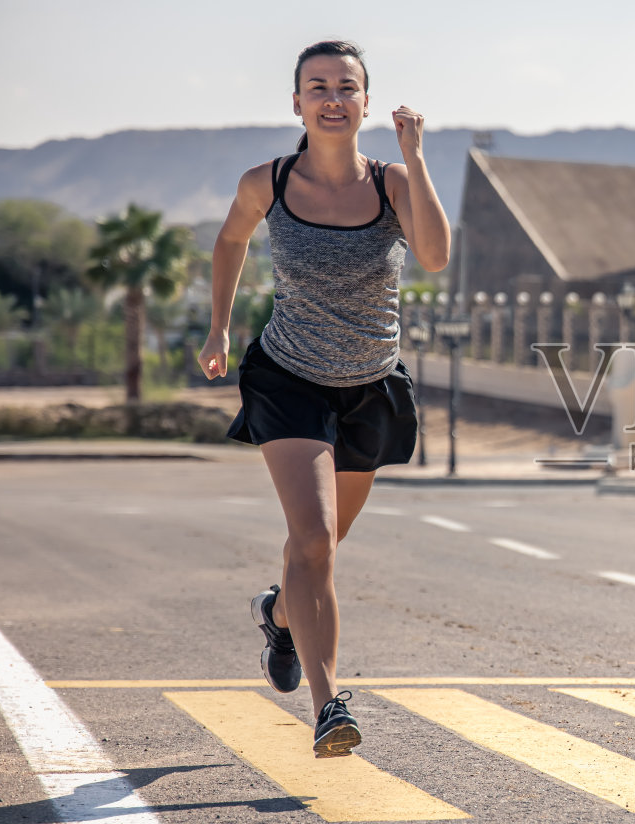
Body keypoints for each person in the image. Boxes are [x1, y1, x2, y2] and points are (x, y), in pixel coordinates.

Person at [197, 40, 450, 758]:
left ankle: (279, 615)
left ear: (367, 103)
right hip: (290, 380)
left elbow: (433, 255)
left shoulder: (394, 182)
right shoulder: (267, 182)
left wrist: (417, 157)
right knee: (312, 542)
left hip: (370, 386)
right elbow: (229, 242)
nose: (333, 98)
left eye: (347, 87)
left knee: (322, 547)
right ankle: (328, 703)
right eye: (318, 87)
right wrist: (218, 326)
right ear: (298, 103)